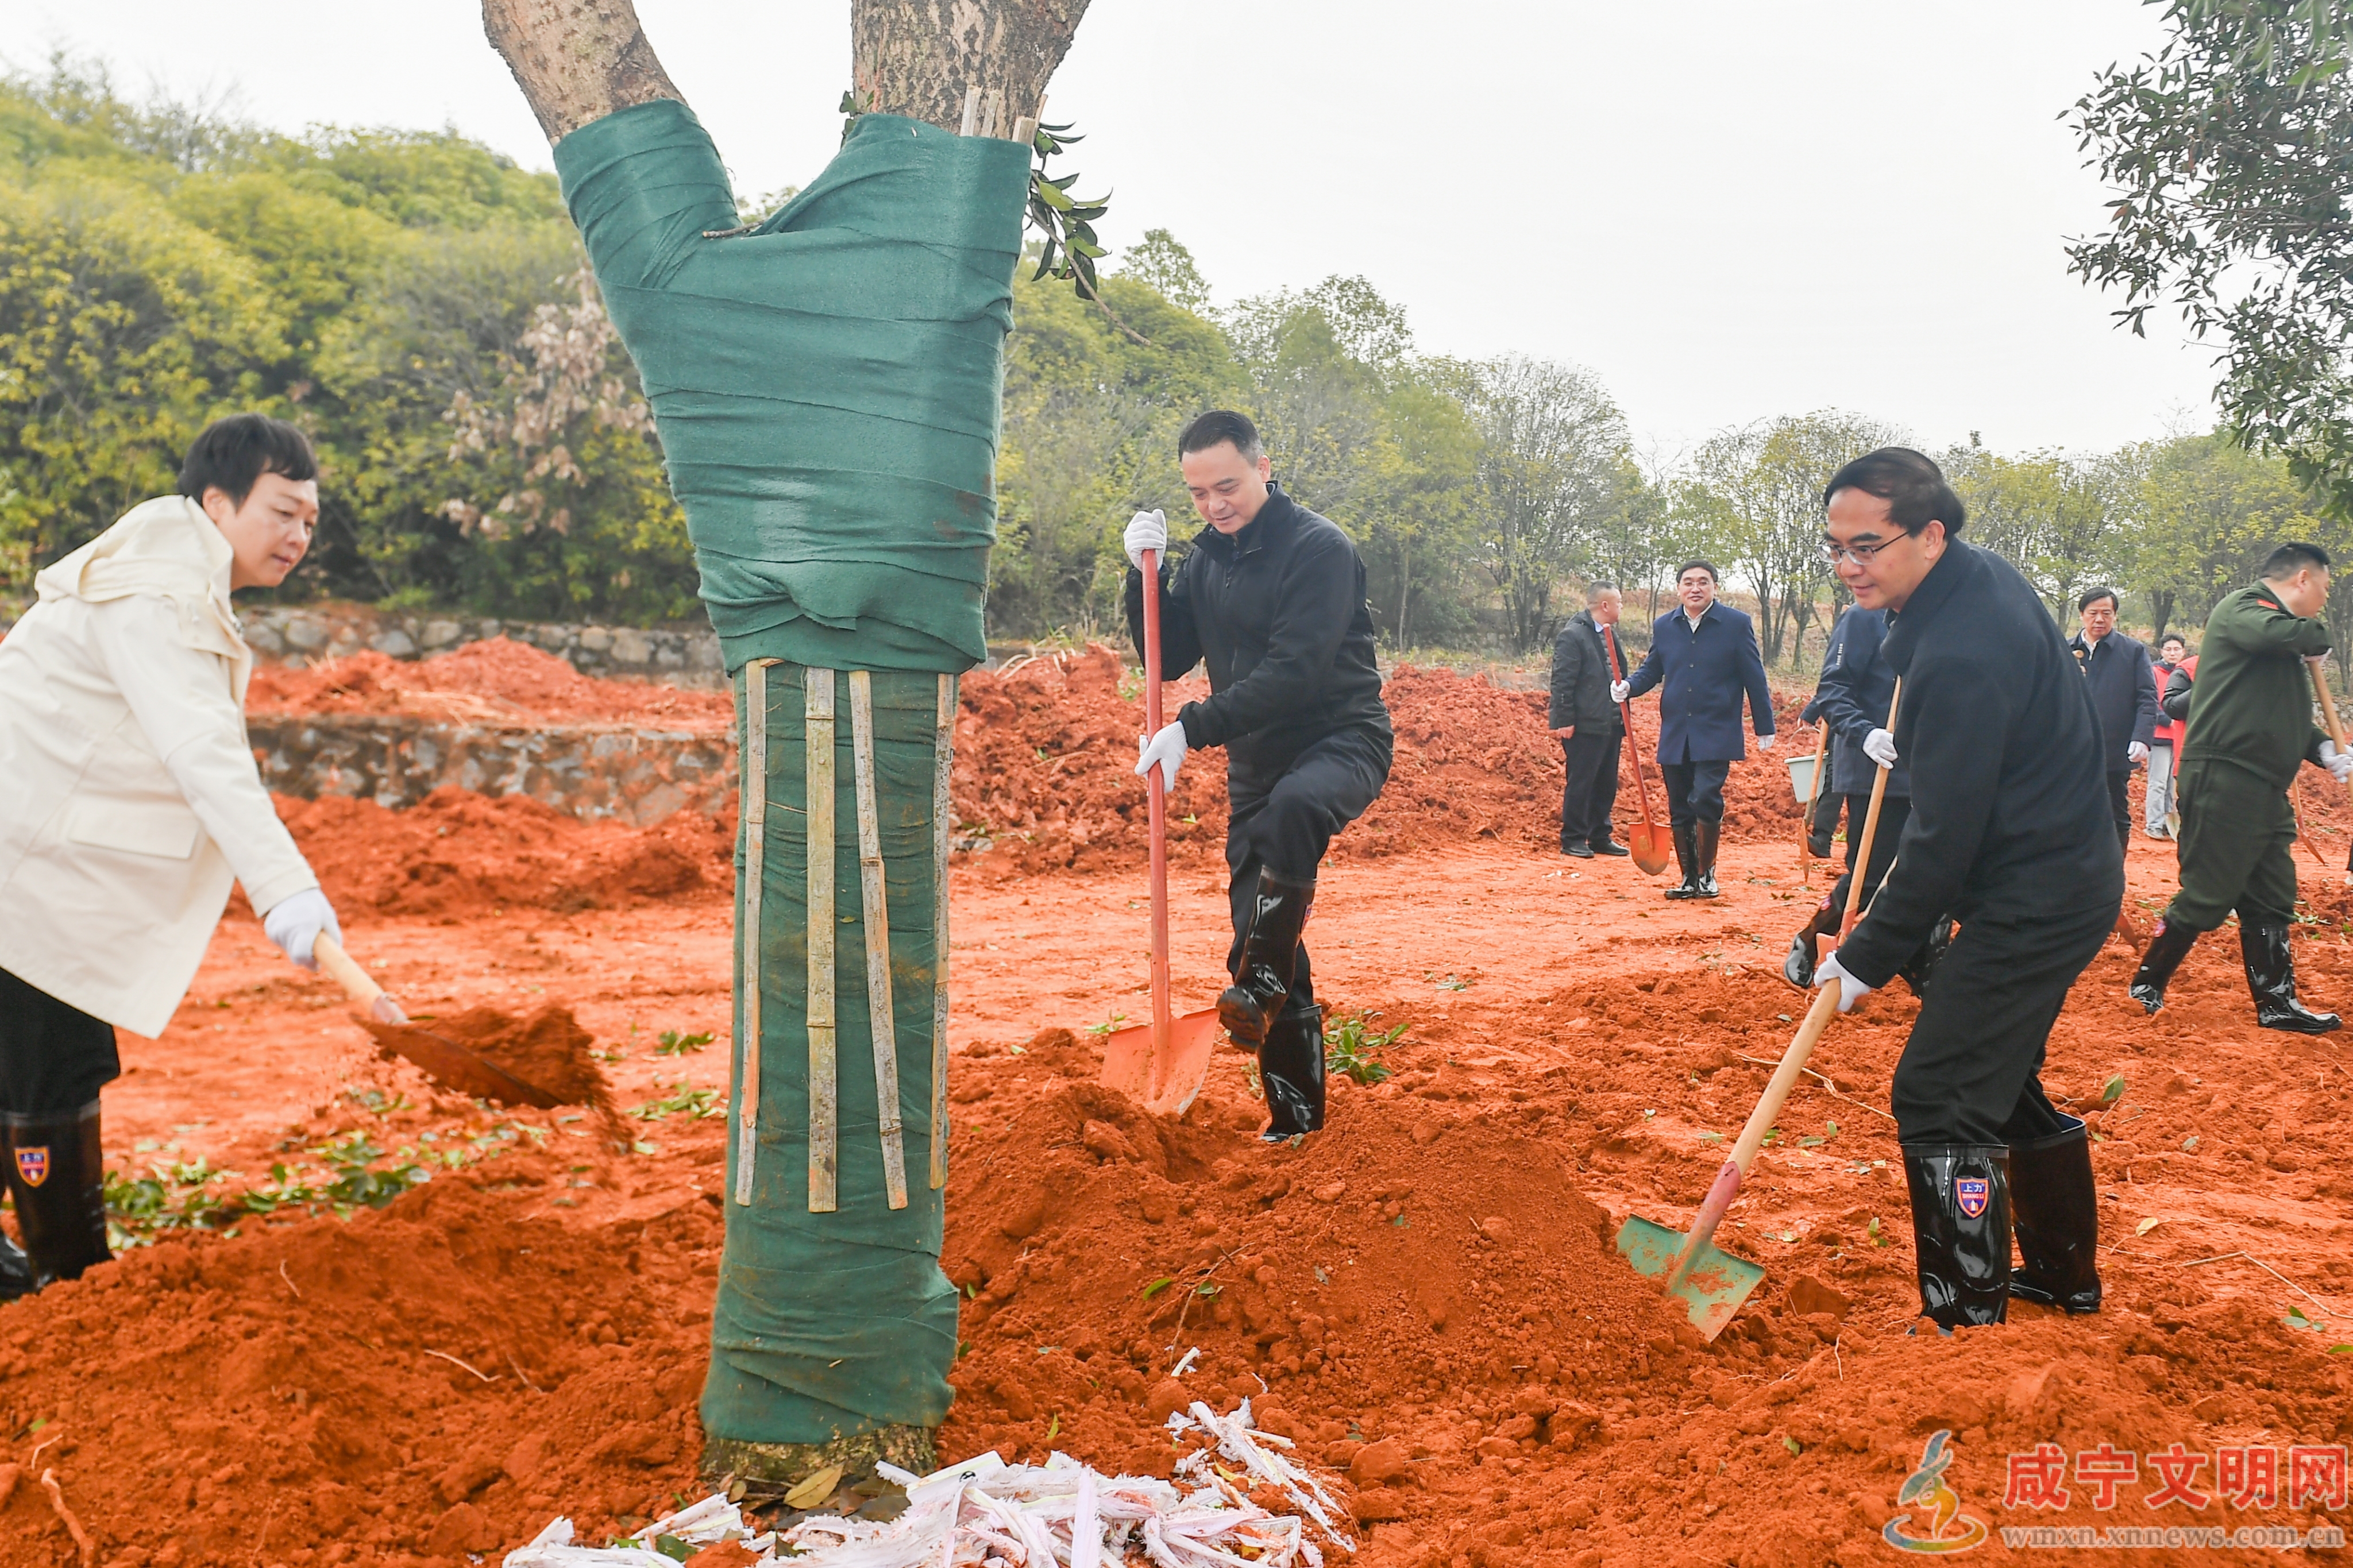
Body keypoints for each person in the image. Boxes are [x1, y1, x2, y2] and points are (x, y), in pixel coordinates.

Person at [0, 414, 343, 1295]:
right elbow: (204, 752)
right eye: (282, 512)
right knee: (51, 1062)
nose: (299, 535)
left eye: (310, 518)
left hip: (32, 857)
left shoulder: (163, 574)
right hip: (25, 869)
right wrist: (287, 892)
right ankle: (68, 1285)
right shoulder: (156, 595)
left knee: (29, 1056)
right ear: (218, 502)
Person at [1810, 447, 2121, 1332]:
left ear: (1932, 534)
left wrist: (1865, 955)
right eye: (1836, 546)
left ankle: (1964, 1315)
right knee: (1994, 1070)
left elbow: (1944, 837)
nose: (1848, 564)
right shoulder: (1971, 585)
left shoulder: (1962, 651)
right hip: (2044, 874)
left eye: (1868, 544)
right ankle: (2062, 1275)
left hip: (2041, 894)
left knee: (1942, 1090)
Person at [1124, 410, 1393, 1140]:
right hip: (1258, 762)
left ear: (1263, 467)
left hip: (1342, 738)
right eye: (1198, 493)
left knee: (1296, 810)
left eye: (1228, 486)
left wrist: (1192, 726)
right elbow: (1166, 655)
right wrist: (1138, 575)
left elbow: (1295, 673)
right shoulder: (1206, 559)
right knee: (1254, 929)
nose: (1215, 505)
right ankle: (1295, 1120)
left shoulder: (1319, 550)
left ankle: (1262, 983)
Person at [2126, 544, 2351, 1032]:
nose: (2325, 598)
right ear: (2303, 579)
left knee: (2272, 893)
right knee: (2209, 892)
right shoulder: (2243, 611)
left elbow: (2275, 715)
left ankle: (2277, 1002)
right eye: (2326, 587)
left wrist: (2321, 747)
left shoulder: (2280, 652)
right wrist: (2311, 636)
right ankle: (2146, 982)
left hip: (2264, 783)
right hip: (2225, 777)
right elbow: (2282, 631)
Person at [1611, 561, 1775, 898]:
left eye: (1703, 582)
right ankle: (1688, 878)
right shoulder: (1665, 626)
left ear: (1715, 586)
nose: (1695, 588)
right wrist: (1628, 686)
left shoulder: (1735, 624)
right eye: (1688, 582)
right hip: (1676, 731)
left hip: (1717, 729)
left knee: (1705, 797)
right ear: (1679, 589)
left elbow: (1754, 677)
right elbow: (1652, 670)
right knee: (1679, 805)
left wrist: (1764, 725)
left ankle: (1707, 873)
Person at [1783, 603, 1913, 988]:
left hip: (1939, 769)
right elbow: (1834, 690)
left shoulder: (1946, 617)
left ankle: (1923, 961)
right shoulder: (1863, 618)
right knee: (1871, 874)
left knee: (1941, 871)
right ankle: (1810, 939)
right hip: (1878, 768)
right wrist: (1864, 732)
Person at [2066, 588, 2159, 856]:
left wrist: (2142, 737)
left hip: (2114, 749)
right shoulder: (2064, 649)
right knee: (2070, 812)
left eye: (2106, 613)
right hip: (2072, 751)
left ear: (2115, 616)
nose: (2099, 619)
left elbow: (2147, 697)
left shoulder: (2132, 651)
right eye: (2093, 613)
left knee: (2115, 813)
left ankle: (2112, 872)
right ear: (2082, 615)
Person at [1547, 583, 1630, 859]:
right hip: (1585, 725)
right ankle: (1573, 837)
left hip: (1611, 723)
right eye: (1619, 602)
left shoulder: (1610, 635)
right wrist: (1564, 719)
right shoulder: (1573, 636)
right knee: (1582, 781)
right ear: (1605, 605)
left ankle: (1600, 835)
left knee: (1606, 782)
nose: (1621, 607)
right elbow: (1562, 681)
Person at [2145, 633, 2188, 838]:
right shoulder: (2153, 672)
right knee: (2158, 782)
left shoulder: (2185, 673)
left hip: (2179, 737)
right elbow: (2150, 701)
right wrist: (2167, 719)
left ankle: (2168, 825)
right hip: (2159, 735)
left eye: (2176, 649)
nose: (2172, 653)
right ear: (2162, 652)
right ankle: (2153, 824)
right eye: (2168, 649)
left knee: (2172, 784)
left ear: (2183, 652)